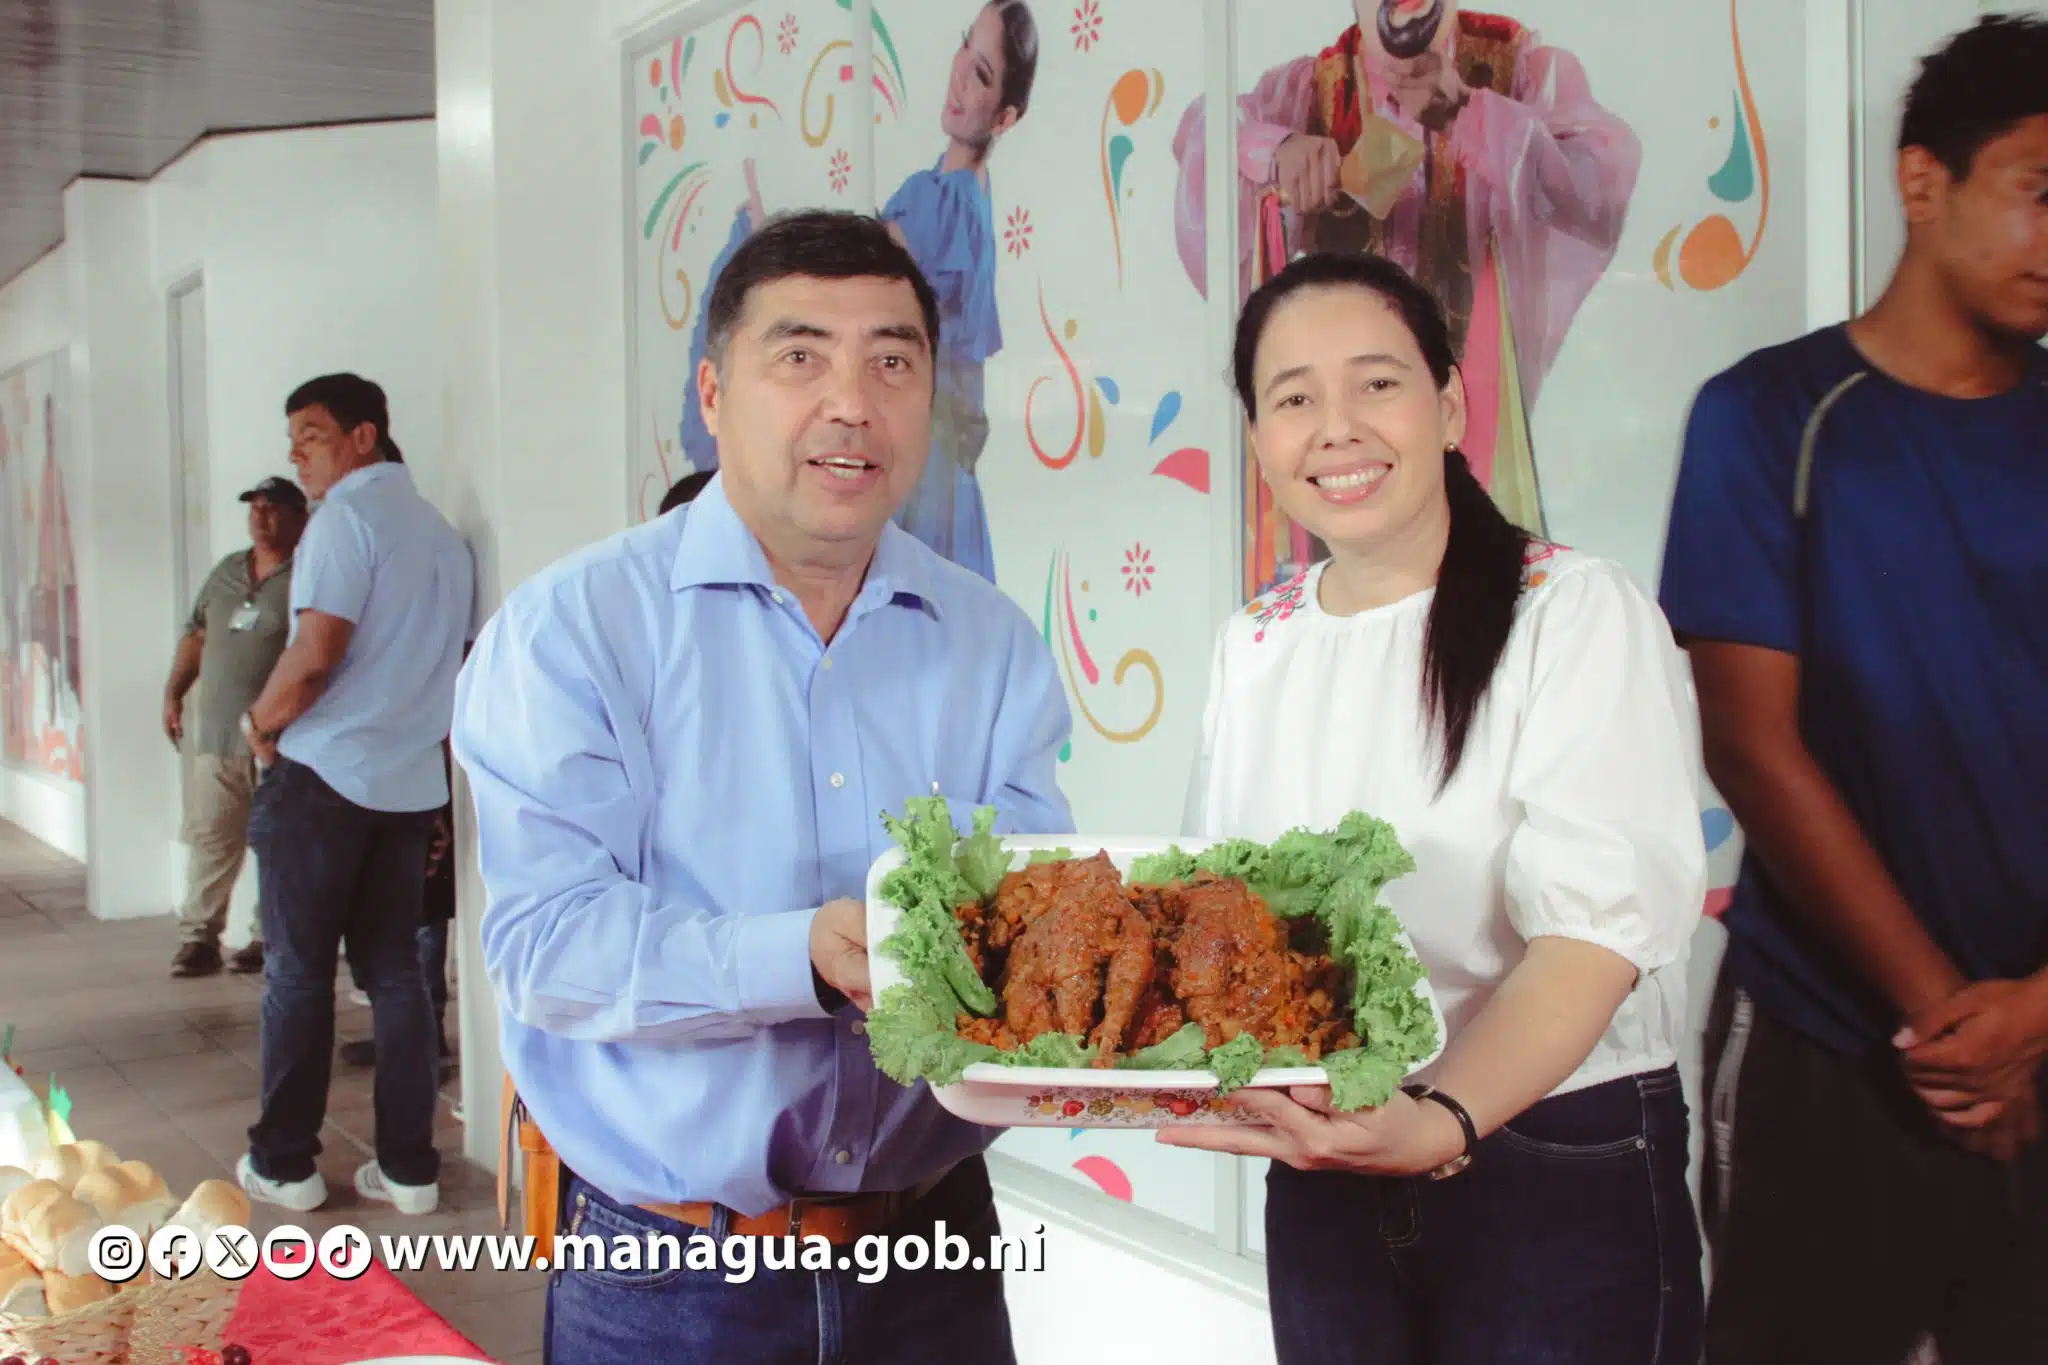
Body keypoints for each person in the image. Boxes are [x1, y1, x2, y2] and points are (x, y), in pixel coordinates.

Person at [452, 210, 1072, 1364]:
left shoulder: (991, 642)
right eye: (799, 357)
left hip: (933, 1255)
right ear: (712, 392)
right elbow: (546, 947)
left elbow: (1030, 920)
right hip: (670, 1275)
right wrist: (800, 958)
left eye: (891, 362)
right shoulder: (571, 631)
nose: (852, 403)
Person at [1164, 252, 1707, 1364]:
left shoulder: (1571, 612)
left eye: (1377, 382)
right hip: (1322, 1155)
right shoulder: (1254, 644)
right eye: (1293, 399)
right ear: (1259, 439)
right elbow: (1223, 911)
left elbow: (1594, 934)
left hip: (1549, 1157)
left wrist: (1440, 1118)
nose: (1337, 428)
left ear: (1450, 403)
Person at [1658, 16, 2048, 1363]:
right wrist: (1956, 1032)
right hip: (1824, 1046)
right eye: (2039, 190)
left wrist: (2031, 1017)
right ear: (1923, 181)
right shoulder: (1768, 416)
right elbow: (1751, 748)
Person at [1173, 0, 1639, 595]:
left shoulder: (1520, 70)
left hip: (1478, 419)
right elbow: (1203, 131)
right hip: (1343, 443)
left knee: (1481, 594)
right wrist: (1275, 151)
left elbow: (1596, 192)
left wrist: (1474, 115)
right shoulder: (1308, 90)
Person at [676, 1, 1038, 582]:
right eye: (964, 47)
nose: (958, 76)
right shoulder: (953, 192)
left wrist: (760, 229)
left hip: (930, 482)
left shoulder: (947, 203)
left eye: (982, 73)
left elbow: (852, 281)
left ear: (1005, 116)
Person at [235, 373, 474, 1219]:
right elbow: (453, 670)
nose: (297, 454)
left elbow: (315, 652)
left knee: (298, 975)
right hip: (406, 788)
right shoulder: (443, 537)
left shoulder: (345, 520)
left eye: (312, 435)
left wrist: (260, 724)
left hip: (325, 780)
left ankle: (284, 1163)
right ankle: (409, 1169)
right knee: (398, 976)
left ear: (364, 435)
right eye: (293, 439)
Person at [163, 475, 307, 978]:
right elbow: (196, 636)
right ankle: (199, 939)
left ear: (300, 517)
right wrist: (174, 691)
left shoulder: (308, 573)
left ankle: (268, 936)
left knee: (278, 842)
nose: (261, 518)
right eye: (255, 509)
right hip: (218, 737)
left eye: (273, 509)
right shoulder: (226, 572)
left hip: (280, 740)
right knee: (212, 838)